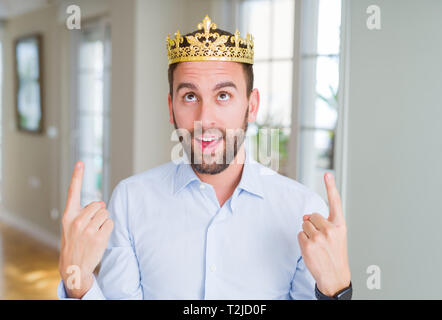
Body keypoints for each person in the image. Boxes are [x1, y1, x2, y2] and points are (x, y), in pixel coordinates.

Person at [57, 15, 351, 300]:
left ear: (252, 105)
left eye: (223, 95)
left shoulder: (302, 211)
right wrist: (79, 284)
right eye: (189, 96)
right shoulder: (131, 201)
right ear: (171, 107)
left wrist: (336, 293)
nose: (205, 118)